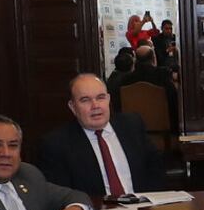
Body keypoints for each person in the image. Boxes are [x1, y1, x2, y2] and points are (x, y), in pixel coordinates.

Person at [37, 72, 167, 200]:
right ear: (73, 107)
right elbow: (61, 195)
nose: (95, 106)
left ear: (108, 99)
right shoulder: (56, 144)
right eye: (85, 100)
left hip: (142, 207)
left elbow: (155, 169)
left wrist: (148, 203)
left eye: (100, 97)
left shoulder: (132, 125)